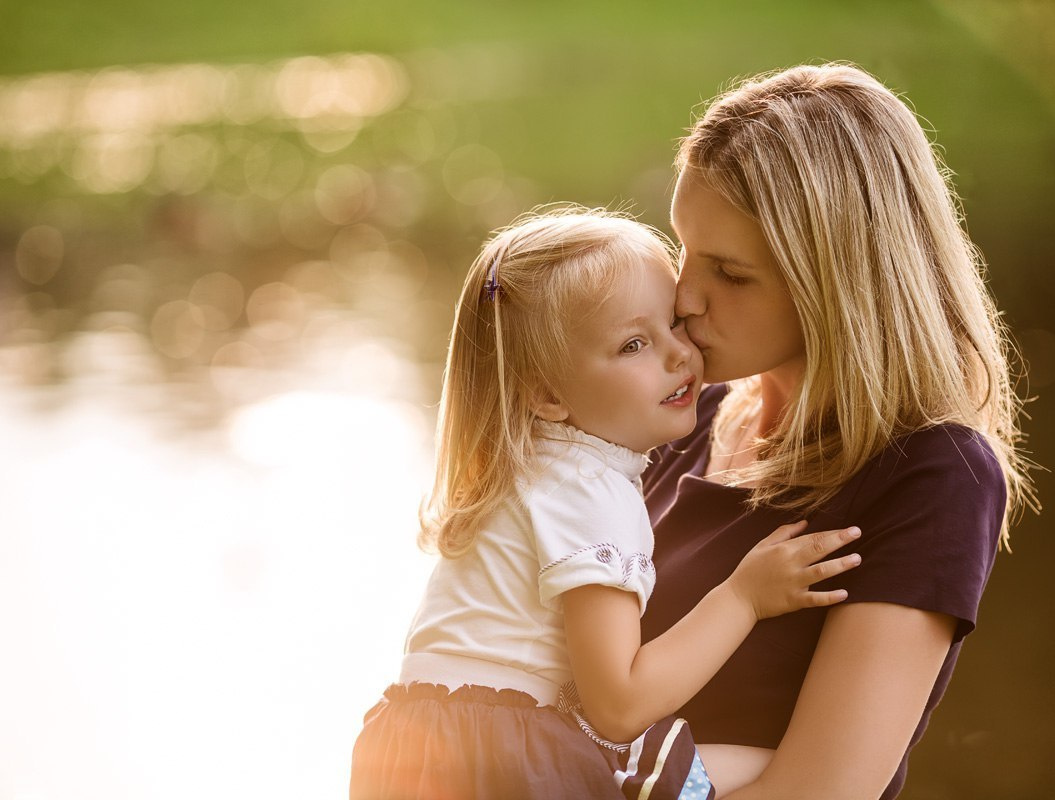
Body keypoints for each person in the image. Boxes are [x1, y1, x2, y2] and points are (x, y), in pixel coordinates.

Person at [348, 208, 863, 799]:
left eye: (672, 323)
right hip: (499, 755)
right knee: (763, 769)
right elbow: (619, 704)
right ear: (545, 393)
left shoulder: (530, 466)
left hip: (415, 746)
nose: (680, 354)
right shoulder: (591, 490)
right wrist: (744, 598)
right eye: (634, 343)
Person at [640, 62, 1036, 799]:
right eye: (682, 248)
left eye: (730, 272)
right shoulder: (677, 413)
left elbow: (816, 792)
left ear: (837, 281)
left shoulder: (932, 475)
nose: (683, 296)